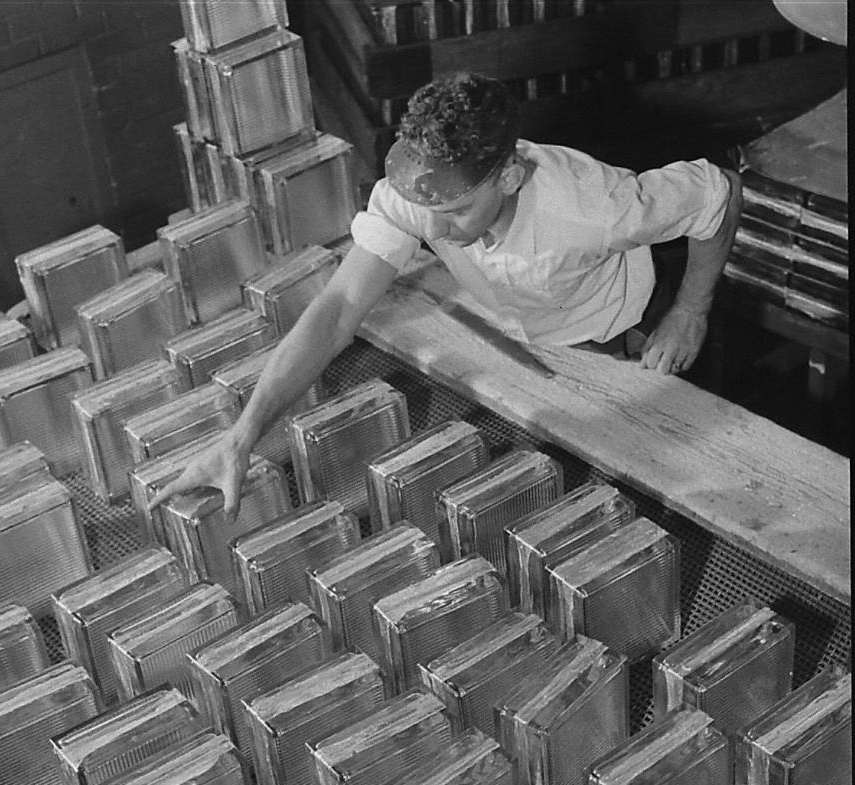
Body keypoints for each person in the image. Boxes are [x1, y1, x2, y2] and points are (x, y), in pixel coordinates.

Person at [153, 72, 742, 520]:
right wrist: (242, 434)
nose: (433, 232)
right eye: (426, 212)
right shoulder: (422, 194)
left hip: (614, 345)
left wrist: (690, 311)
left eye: (457, 212)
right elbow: (337, 312)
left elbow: (719, 192)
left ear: (509, 177)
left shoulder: (597, 207)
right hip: (517, 346)